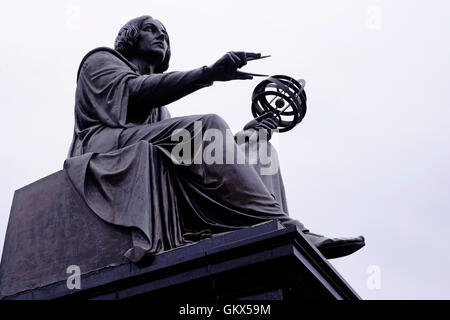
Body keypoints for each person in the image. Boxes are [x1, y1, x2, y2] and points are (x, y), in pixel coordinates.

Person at [64, 15, 365, 263]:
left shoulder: (161, 111)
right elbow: (136, 92)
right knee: (208, 126)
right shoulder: (100, 61)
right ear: (130, 37)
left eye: (165, 35)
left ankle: (268, 227)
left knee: (261, 150)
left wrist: (247, 136)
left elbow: (195, 155)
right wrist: (208, 73)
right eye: (151, 30)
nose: (161, 37)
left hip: (140, 145)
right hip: (103, 148)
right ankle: (288, 229)